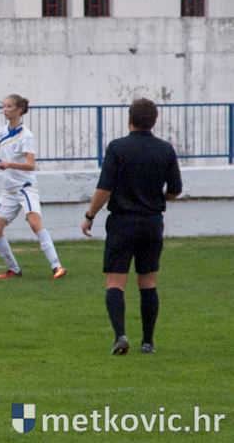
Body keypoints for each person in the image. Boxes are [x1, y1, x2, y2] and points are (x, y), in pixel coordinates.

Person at [81, 98, 182, 355]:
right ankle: (147, 342)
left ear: (130, 120)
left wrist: (90, 215)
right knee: (148, 281)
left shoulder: (117, 148)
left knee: (115, 280)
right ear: (154, 120)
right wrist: (157, 198)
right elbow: (175, 189)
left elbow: (105, 189)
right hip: (151, 222)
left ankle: (120, 336)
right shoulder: (165, 149)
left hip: (122, 222)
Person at [0, 94, 67, 280]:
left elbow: (31, 165)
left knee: (35, 223)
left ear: (19, 110)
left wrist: (9, 164)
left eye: (9, 106)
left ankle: (57, 266)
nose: (5, 109)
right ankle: (14, 269)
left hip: (25, 187)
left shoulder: (26, 135)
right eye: (4, 106)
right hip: (9, 190)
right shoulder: (0, 132)